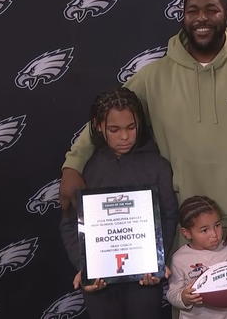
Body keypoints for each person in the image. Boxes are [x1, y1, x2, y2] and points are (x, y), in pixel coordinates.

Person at [59, 0, 227, 319]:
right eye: (193, 11)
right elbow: (109, 117)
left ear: (226, 15)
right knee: (189, 307)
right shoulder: (152, 78)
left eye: (211, 10)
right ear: (183, 16)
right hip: (182, 226)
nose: (202, 18)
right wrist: (73, 164)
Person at [60, 88, 179, 319]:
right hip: (99, 283)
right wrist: (84, 266)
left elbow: (169, 215)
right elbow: (68, 224)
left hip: (145, 280)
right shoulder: (84, 169)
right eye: (114, 129)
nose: (124, 136)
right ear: (98, 126)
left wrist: (156, 259)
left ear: (140, 124)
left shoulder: (158, 165)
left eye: (131, 128)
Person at [167, 196, 227, 319]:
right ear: (186, 233)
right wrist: (184, 298)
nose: (214, 234)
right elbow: (172, 293)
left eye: (217, 225)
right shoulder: (180, 259)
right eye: (204, 230)